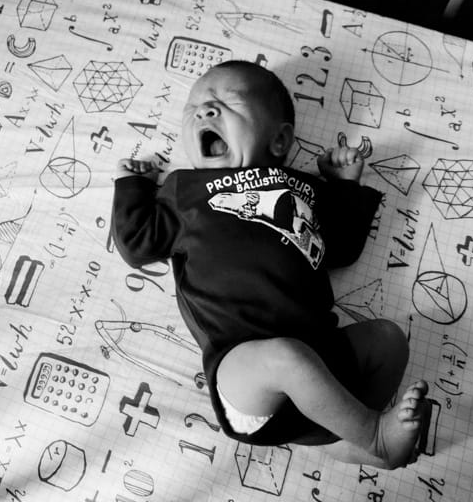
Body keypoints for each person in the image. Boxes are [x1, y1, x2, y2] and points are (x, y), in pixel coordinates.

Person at [111, 60, 430, 469]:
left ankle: (345, 436)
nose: (205, 111)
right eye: (195, 107)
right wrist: (132, 185)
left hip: (323, 356)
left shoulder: (307, 190)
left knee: (388, 339)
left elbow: (344, 248)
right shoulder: (183, 190)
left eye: (229, 101)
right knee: (286, 357)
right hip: (243, 368)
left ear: (279, 142)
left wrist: (345, 185)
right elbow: (137, 243)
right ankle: (373, 436)